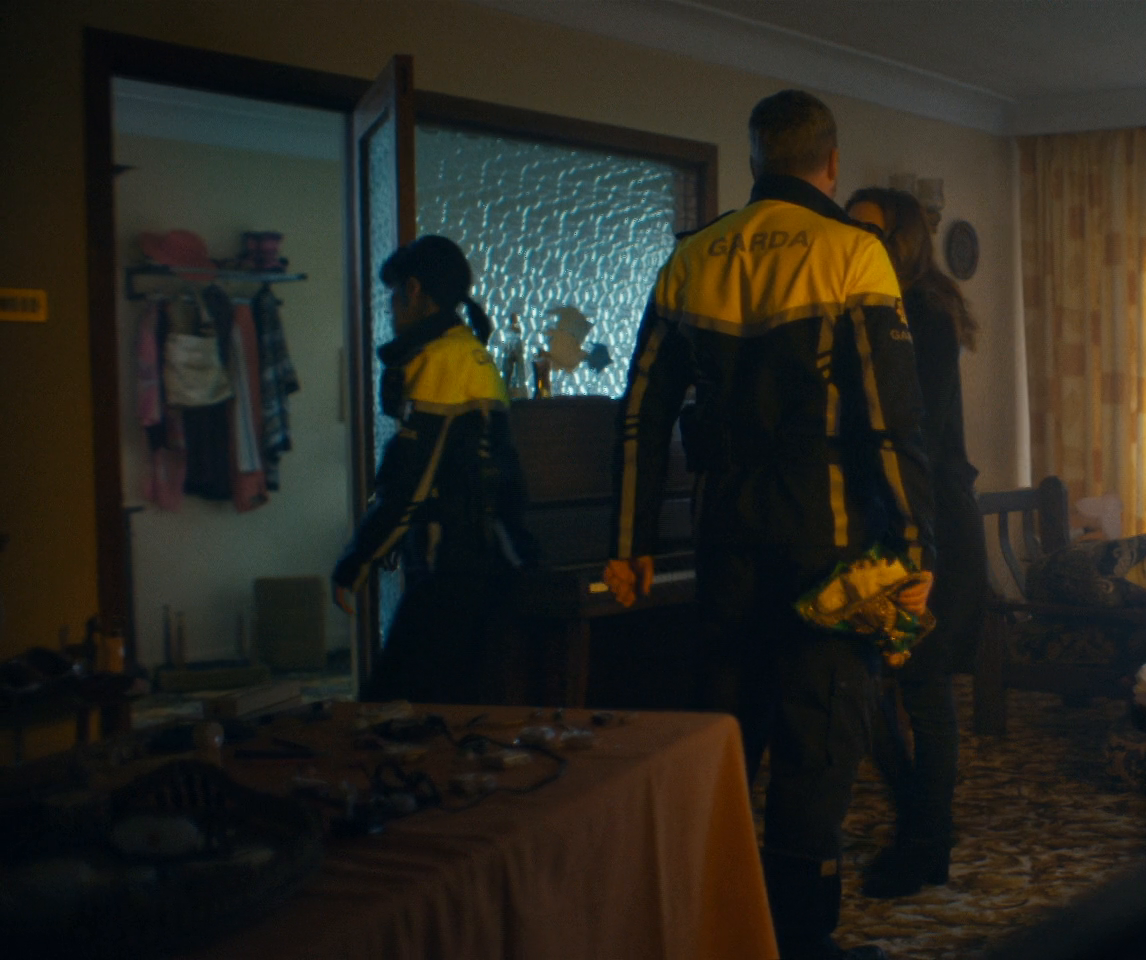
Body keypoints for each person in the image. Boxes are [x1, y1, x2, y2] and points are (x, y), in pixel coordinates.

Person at [603, 90, 937, 960]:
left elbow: (640, 414)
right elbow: (891, 423)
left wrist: (629, 545)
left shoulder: (691, 257)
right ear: (831, 161)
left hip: (721, 536)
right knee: (816, 745)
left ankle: (711, 934)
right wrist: (914, 549)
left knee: (723, 739)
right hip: (826, 542)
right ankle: (799, 942)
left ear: (754, 160)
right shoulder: (853, 252)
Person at [845, 187, 990, 898]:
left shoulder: (921, 315)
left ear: (902, 241)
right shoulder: (868, 309)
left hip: (932, 523)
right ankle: (919, 820)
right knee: (867, 684)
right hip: (886, 519)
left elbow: (914, 431)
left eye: (871, 232)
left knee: (924, 689)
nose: (856, 243)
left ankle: (926, 840)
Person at [332, 235, 538, 705]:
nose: (391, 308)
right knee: (458, 705)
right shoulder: (473, 353)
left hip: (449, 563)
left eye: (394, 293)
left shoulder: (440, 359)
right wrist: (522, 554)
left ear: (415, 290)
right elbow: (506, 469)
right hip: (489, 561)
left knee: (392, 704)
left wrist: (356, 562)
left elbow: (410, 480)